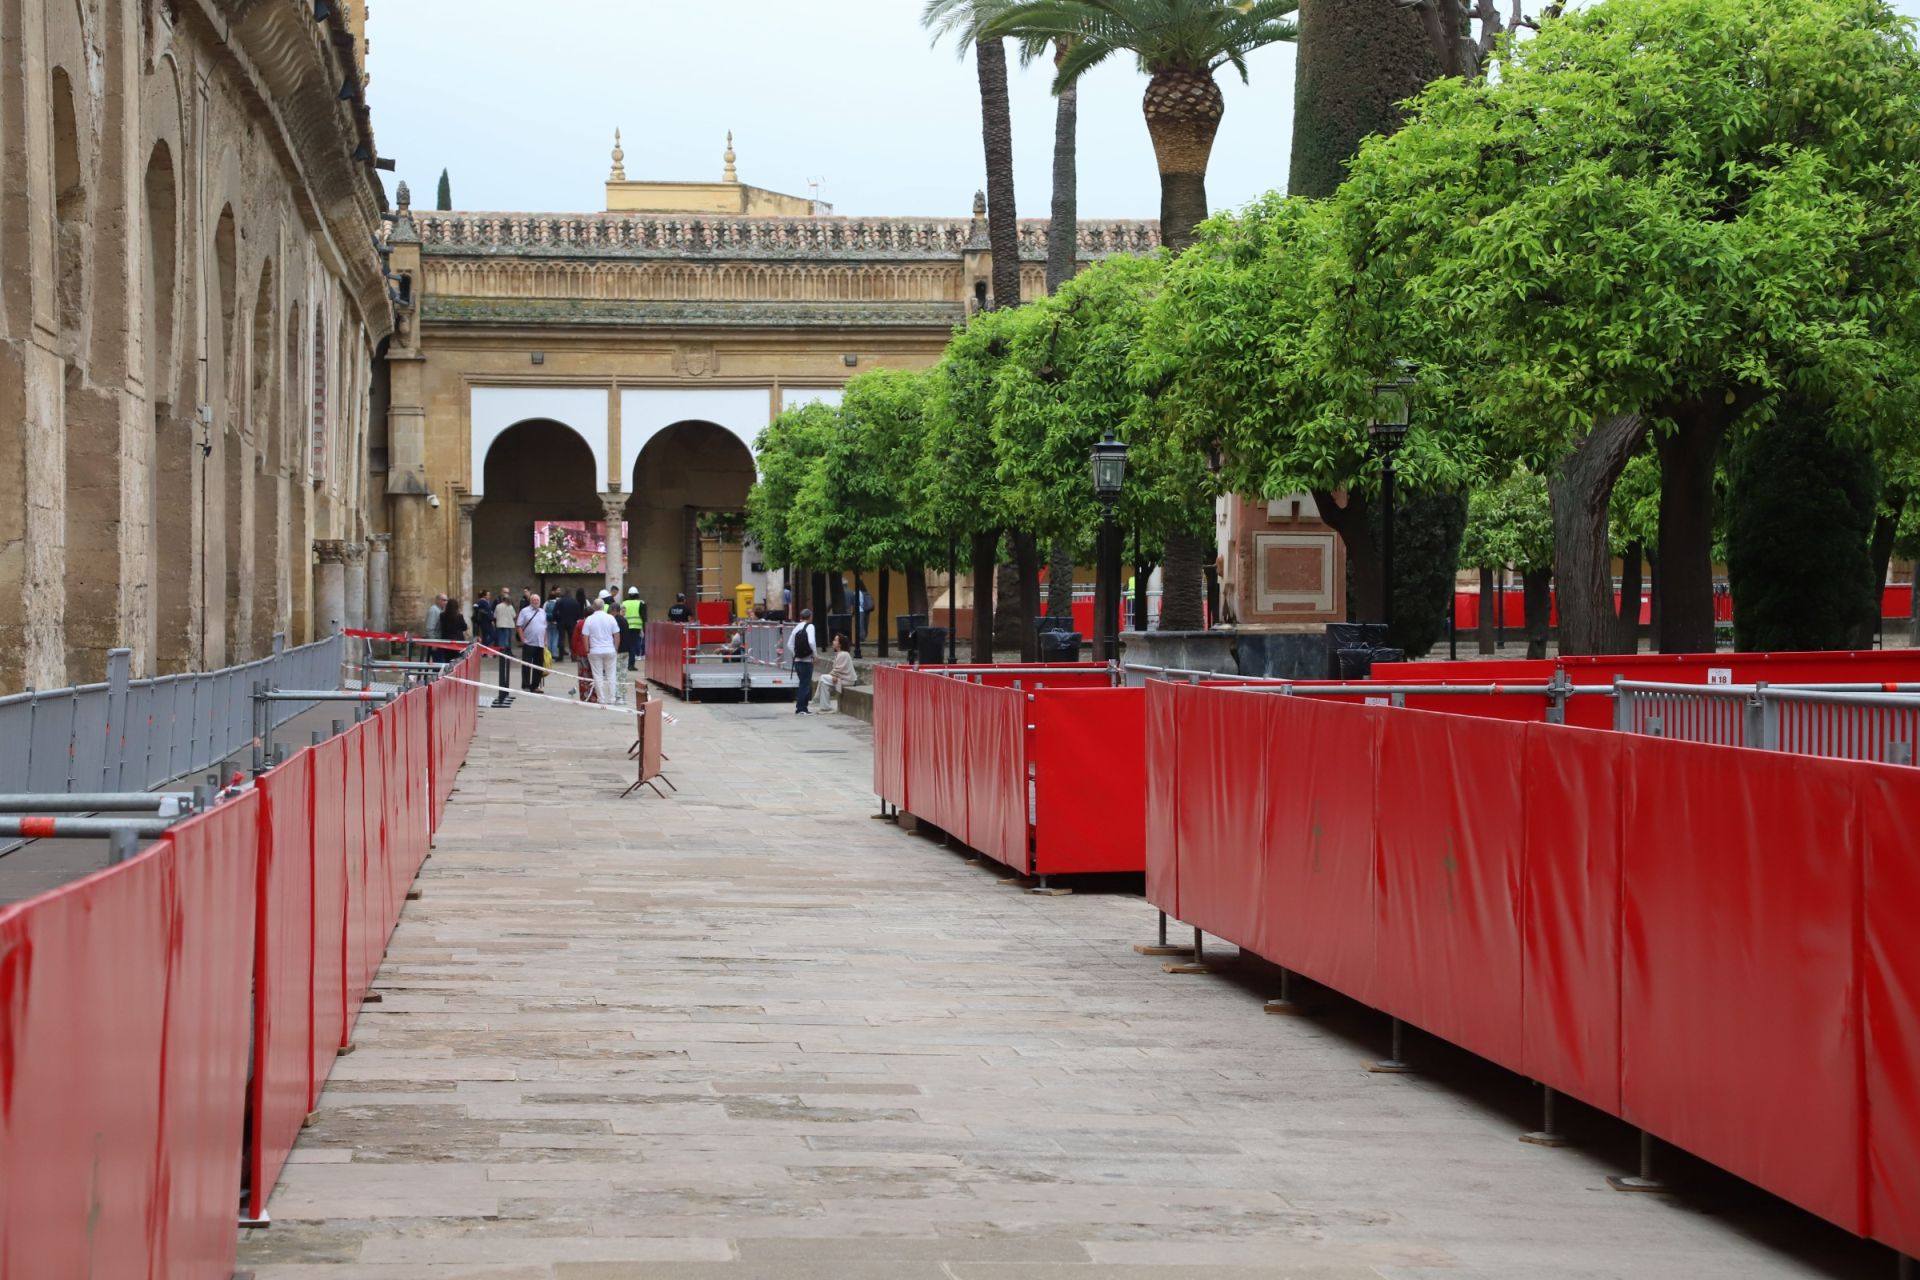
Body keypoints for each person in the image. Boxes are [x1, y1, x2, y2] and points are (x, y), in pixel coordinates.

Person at [581, 599, 622, 706]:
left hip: (595, 650)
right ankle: (612, 699)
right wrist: (615, 648)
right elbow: (617, 634)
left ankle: (601, 698)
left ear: (593, 607)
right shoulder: (611, 618)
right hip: (609, 649)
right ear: (604, 606)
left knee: (597, 675)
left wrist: (587, 649)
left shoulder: (589, 619)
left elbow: (585, 636)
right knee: (611, 675)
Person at [784, 607, 817, 715]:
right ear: (810, 617)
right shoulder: (810, 626)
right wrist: (814, 655)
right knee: (805, 684)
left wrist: (796, 653)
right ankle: (801, 708)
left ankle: (802, 707)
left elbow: (789, 644)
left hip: (797, 661)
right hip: (807, 661)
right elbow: (811, 642)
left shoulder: (797, 627)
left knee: (802, 683)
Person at [517, 593, 548, 692]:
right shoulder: (524, 611)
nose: (536, 601)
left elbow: (544, 627)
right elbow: (519, 626)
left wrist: (545, 640)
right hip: (529, 642)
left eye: (537, 600)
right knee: (526, 664)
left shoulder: (542, 612)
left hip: (540, 643)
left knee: (538, 665)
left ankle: (535, 686)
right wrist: (523, 639)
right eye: (534, 600)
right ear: (530, 601)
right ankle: (526, 685)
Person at [556, 588, 584, 659]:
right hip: (572, 623)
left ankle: (560, 656)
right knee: (572, 639)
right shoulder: (575, 602)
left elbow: (555, 612)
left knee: (561, 638)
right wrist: (575, 619)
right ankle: (573, 656)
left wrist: (557, 619)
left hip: (561, 622)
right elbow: (578, 614)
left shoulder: (559, 601)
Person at [622, 587, 646, 669]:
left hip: (625, 627)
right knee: (633, 646)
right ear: (637, 595)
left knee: (626, 645)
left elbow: (621, 615)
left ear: (629, 595)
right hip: (636, 627)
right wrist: (644, 629)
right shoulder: (641, 603)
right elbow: (644, 617)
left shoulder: (624, 603)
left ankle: (625, 664)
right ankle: (631, 665)